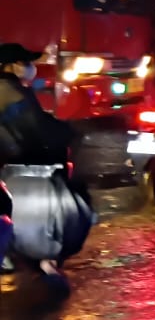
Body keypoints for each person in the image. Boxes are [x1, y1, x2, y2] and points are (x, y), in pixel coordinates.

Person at [0, 43, 89, 296]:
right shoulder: (11, 92)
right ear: (12, 66)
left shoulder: (14, 89)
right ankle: (46, 261)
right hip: (19, 162)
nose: (30, 68)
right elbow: (33, 127)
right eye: (25, 62)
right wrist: (66, 135)